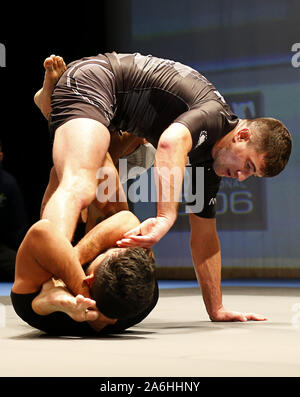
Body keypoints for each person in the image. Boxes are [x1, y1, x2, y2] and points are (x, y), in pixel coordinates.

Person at [35, 53, 291, 323]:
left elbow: (204, 240)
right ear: (242, 135)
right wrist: (165, 216)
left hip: (117, 119)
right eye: (248, 166)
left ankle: (50, 104)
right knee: (80, 183)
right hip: (94, 81)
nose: (241, 177)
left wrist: (216, 309)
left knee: (109, 200)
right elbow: (170, 143)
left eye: (251, 176)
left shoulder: (207, 163)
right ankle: (50, 283)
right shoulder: (214, 116)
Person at [11, 209, 158, 336]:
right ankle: (53, 294)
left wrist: (64, 261)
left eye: (109, 252)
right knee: (106, 179)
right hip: (56, 311)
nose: (116, 245)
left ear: (89, 279)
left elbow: (42, 231)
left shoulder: (146, 296)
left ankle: (53, 293)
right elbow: (128, 220)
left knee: (75, 186)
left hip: (30, 303)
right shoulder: (144, 292)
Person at [0, 139, 29, 281]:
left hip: (2, 247)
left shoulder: (8, 183)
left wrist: (22, 252)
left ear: (1, 156)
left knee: (22, 267)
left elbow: (18, 224)